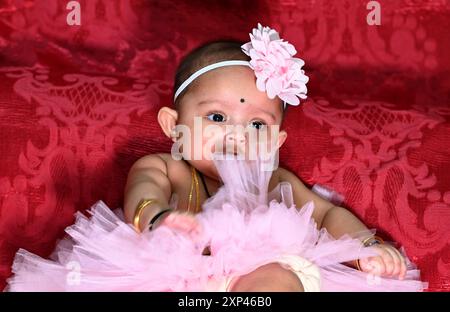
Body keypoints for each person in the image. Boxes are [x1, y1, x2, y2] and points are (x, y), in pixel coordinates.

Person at [4, 24, 427, 292]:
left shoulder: (275, 178)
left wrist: (364, 245)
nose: (237, 135)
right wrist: (156, 219)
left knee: (278, 280)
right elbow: (143, 193)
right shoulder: (164, 166)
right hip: (167, 276)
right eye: (218, 117)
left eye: (257, 125)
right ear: (174, 125)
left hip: (258, 277)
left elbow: (326, 215)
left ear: (277, 139)